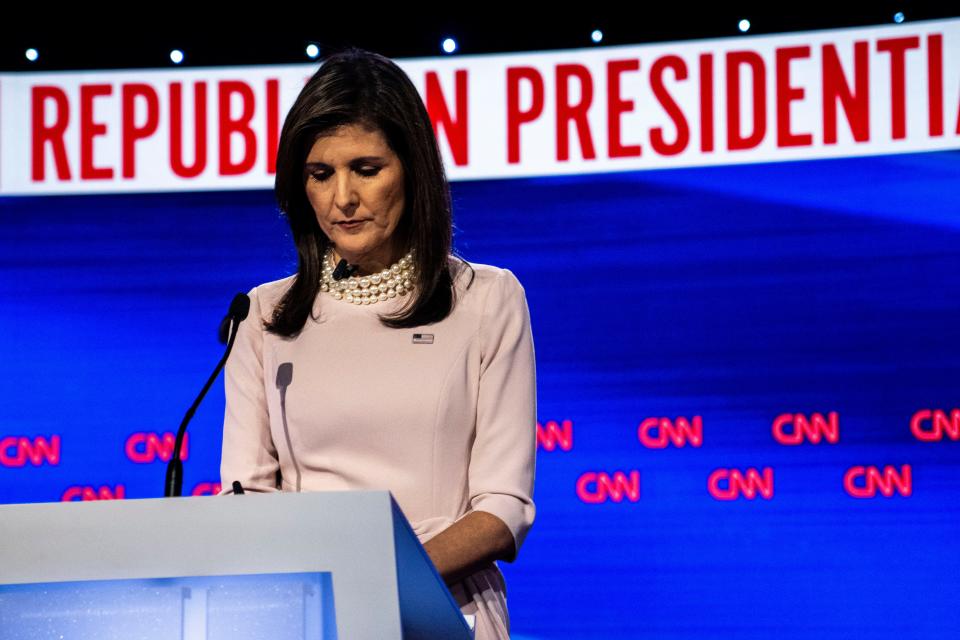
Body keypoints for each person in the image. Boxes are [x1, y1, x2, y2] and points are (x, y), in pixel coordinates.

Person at [217, 46, 537, 639]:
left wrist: (376, 578)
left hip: (445, 607)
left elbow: (502, 510)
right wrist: (325, 587)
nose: (343, 198)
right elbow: (245, 496)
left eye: (366, 169)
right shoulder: (262, 315)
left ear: (411, 169)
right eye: (320, 174)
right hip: (308, 612)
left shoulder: (486, 299)